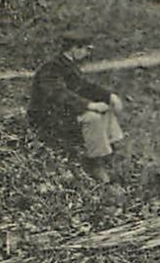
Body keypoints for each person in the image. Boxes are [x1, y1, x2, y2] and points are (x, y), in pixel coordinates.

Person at [28, 31, 124, 182]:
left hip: (63, 112)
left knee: (106, 110)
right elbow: (58, 94)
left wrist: (109, 96)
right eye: (86, 49)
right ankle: (94, 162)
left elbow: (84, 87)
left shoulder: (68, 65)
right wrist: (89, 105)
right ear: (74, 48)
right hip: (47, 117)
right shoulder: (51, 68)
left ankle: (109, 151)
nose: (87, 53)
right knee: (93, 118)